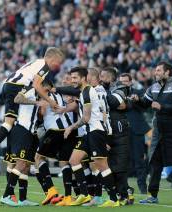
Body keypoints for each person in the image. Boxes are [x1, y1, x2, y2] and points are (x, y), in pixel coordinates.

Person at [0, 47, 65, 169]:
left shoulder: (37, 62)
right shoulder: (44, 66)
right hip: (16, 87)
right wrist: (50, 101)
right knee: (9, 123)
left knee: (9, 122)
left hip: (8, 84)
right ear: (51, 58)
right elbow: (36, 85)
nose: (58, 66)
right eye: (58, 62)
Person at [136, 61, 172, 204]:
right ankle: (153, 195)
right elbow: (145, 103)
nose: (155, 73)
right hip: (159, 132)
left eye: (158, 70)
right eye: (155, 70)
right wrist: (137, 100)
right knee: (154, 163)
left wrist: (162, 107)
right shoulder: (153, 87)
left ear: (167, 72)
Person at [63, 66, 120, 207]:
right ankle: (84, 194)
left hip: (95, 132)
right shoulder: (84, 92)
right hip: (89, 133)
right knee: (74, 160)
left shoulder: (88, 92)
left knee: (101, 165)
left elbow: (86, 118)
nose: (73, 80)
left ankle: (114, 199)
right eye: (72, 78)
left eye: (75, 78)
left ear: (84, 78)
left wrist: (71, 127)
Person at [34, 79, 77, 206]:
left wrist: (38, 112)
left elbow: (41, 114)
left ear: (46, 86)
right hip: (68, 130)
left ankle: (51, 190)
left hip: (54, 130)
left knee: (38, 157)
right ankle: (68, 197)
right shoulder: (61, 94)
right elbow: (73, 104)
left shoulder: (46, 97)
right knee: (64, 162)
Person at [0, 86, 40, 207]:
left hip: (31, 132)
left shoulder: (41, 95)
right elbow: (17, 99)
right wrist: (36, 102)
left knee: (26, 166)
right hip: (22, 130)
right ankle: (6, 195)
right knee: (20, 163)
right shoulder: (30, 89)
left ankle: (23, 198)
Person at [99, 67, 134, 205]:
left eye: (103, 76)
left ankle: (124, 195)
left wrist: (102, 95)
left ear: (111, 78)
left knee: (119, 166)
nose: (101, 79)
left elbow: (114, 102)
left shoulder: (121, 87)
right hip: (107, 130)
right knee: (110, 166)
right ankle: (122, 193)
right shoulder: (103, 89)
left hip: (119, 130)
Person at [119, 73, 150, 194]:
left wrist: (137, 100)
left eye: (125, 81)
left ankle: (142, 187)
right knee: (123, 160)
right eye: (121, 82)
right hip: (122, 131)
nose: (123, 84)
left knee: (139, 160)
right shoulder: (115, 95)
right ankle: (123, 187)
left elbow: (145, 106)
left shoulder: (139, 92)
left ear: (131, 82)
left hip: (137, 130)